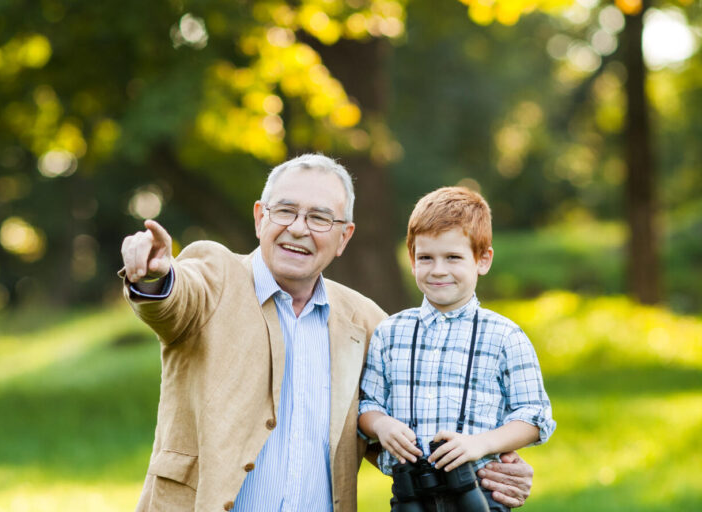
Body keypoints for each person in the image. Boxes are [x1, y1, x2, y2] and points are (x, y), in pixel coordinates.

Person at [119, 155, 535, 512]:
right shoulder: (213, 275)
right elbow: (174, 301)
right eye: (285, 212)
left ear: (343, 237)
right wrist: (156, 277)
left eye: (319, 217)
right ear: (260, 217)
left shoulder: (370, 323)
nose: (299, 229)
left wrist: (493, 467)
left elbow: (409, 426)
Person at [358, 186, 556, 511]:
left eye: (453, 257)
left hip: (479, 493)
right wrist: (381, 425)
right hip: (410, 493)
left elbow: (535, 417)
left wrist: (479, 444)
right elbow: (367, 404)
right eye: (426, 257)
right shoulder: (390, 332)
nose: (438, 270)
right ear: (411, 259)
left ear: (482, 260)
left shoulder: (505, 335)